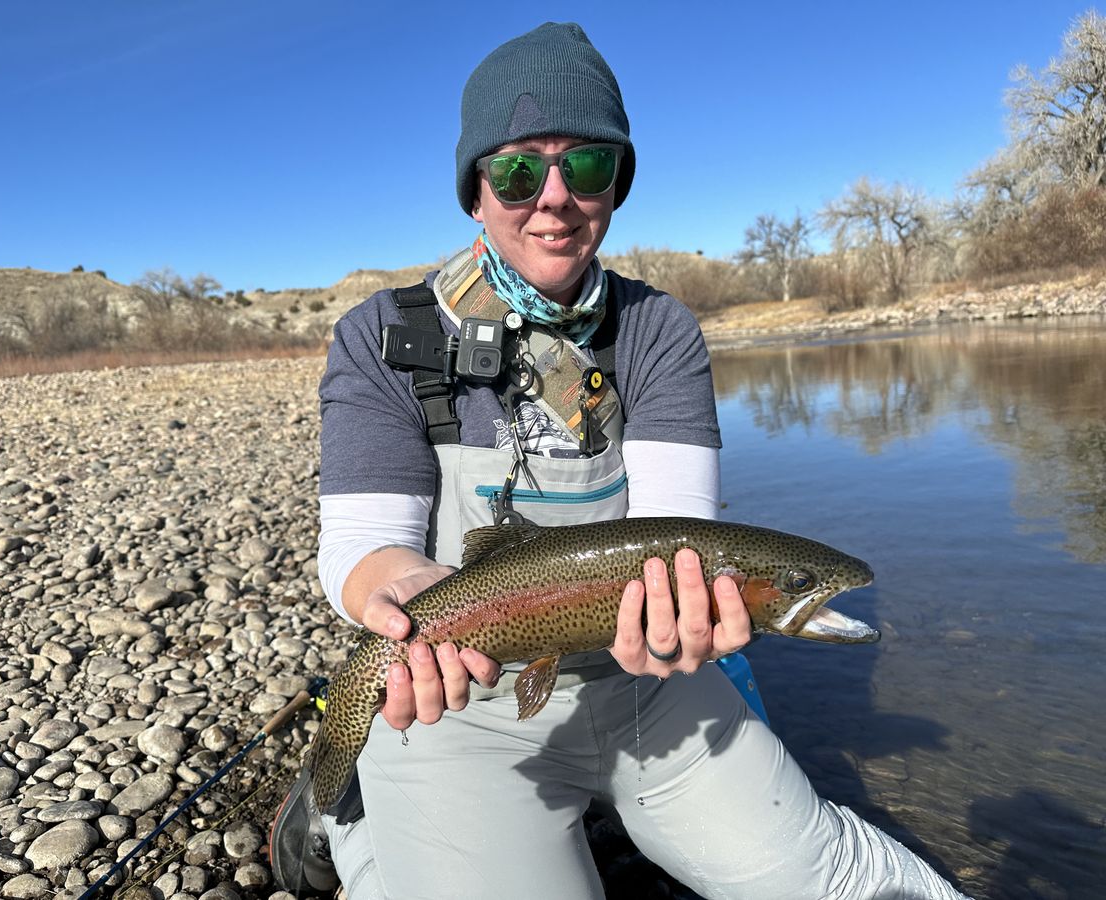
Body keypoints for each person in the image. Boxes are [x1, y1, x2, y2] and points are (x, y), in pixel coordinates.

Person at [271, 22, 972, 900]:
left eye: (588, 167)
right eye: (520, 170)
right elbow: (364, 546)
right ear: (476, 191)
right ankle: (349, 812)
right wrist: (402, 594)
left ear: (616, 185)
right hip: (465, 700)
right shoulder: (382, 337)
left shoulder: (657, 330)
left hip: (651, 683)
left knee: (842, 884)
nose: (555, 197)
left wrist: (702, 627)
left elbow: (683, 530)